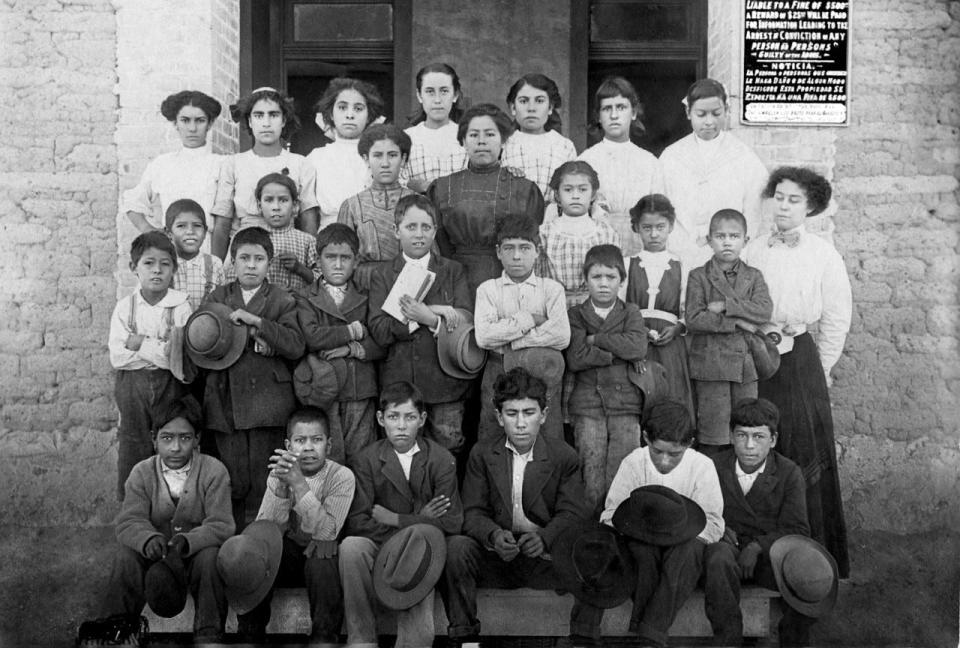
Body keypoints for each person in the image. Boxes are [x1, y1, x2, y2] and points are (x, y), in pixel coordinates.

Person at [741, 166, 852, 577]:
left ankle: (808, 562)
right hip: (756, 356)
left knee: (803, 452)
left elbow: (838, 317)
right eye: (780, 197)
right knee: (756, 444)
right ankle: (757, 559)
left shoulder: (823, 254)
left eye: (795, 200)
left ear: (811, 208)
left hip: (800, 360)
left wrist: (814, 370)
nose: (784, 206)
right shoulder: (753, 249)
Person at [440, 368, 590, 646]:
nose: (521, 423)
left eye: (529, 413)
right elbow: (472, 512)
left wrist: (546, 538)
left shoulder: (564, 456)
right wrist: (494, 535)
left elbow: (572, 514)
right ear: (499, 417)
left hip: (543, 558)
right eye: (512, 414)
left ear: (543, 415)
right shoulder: (483, 453)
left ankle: (581, 638)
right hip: (498, 555)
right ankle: (465, 639)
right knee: (457, 548)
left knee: (591, 551)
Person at [571, 401, 724, 648]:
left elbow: (714, 523)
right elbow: (611, 513)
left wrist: (681, 535)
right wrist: (632, 529)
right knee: (637, 551)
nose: (664, 461)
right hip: (642, 540)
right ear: (645, 438)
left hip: (684, 546)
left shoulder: (702, 466)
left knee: (688, 553)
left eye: (674, 454)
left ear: (689, 444)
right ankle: (609, 633)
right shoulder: (634, 462)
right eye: (657, 451)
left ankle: (651, 634)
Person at [99, 396, 234, 643]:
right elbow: (129, 521)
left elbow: (221, 524)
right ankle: (116, 633)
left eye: (184, 438)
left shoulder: (214, 471)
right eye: (167, 438)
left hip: (193, 556)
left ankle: (209, 634)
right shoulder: (142, 473)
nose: (175, 447)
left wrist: (188, 541)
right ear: (153, 439)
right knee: (125, 558)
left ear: (197, 439)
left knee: (210, 559)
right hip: (155, 557)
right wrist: (148, 539)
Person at [340, 381, 463, 648]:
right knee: (351, 547)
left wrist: (397, 520)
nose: (401, 426)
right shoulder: (366, 460)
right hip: (381, 544)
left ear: (422, 419)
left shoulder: (441, 460)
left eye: (409, 417)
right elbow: (358, 522)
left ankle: (414, 643)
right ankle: (362, 640)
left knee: (417, 554)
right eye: (394, 417)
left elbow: (452, 521)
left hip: (422, 550)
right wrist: (422, 518)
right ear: (380, 419)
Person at [198, 227, 305, 528]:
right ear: (232, 262)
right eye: (244, 257)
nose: (251, 264)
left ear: (269, 264)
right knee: (230, 479)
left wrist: (258, 322)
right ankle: (230, 546)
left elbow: (296, 345)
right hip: (225, 403)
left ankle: (265, 546)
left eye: (259, 258)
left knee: (265, 479)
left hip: (268, 405)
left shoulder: (282, 299)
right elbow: (202, 344)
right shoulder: (218, 296)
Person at [235, 407, 356, 644]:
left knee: (323, 556)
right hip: (291, 556)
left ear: (329, 446)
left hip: (325, 557)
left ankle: (324, 637)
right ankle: (250, 634)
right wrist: (281, 490)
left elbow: (327, 532)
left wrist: (299, 485)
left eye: (317, 440)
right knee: (258, 552)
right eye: (300, 440)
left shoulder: (342, 476)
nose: (309, 447)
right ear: (289, 446)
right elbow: (266, 533)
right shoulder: (279, 474)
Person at [703, 398, 815, 647]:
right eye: (742, 435)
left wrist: (757, 547)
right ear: (731, 436)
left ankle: (793, 640)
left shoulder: (789, 473)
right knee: (718, 557)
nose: (749, 446)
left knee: (808, 574)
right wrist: (718, 529)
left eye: (759, 437)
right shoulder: (712, 466)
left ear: (773, 440)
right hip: (727, 550)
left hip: (768, 557)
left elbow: (797, 529)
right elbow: (697, 511)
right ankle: (729, 640)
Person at [367, 194, 473, 455]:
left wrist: (431, 319)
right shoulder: (382, 274)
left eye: (426, 227)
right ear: (396, 231)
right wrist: (415, 321)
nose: (419, 234)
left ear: (435, 231)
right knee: (401, 452)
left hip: (445, 383)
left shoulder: (452, 271)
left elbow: (465, 325)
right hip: (399, 382)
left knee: (447, 449)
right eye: (410, 227)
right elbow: (379, 330)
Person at [428, 102, 545, 294]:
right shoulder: (442, 187)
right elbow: (439, 243)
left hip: (510, 282)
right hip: (455, 281)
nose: (481, 141)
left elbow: (529, 245)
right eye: (474, 135)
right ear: (463, 141)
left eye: (490, 134)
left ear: (503, 140)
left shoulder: (524, 189)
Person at [109, 231, 192, 498]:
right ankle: (132, 509)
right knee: (134, 442)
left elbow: (177, 359)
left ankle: (172, 508)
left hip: (171, 386)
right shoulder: (125, 307)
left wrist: (140, 342)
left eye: (165, 264)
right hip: (132, 386)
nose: (157, 270)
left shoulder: (180, 305)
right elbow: (118, 357)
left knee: (172, 442)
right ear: (134, 267)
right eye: (148, 263)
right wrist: (160, 349)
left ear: (174, 269)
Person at [565, 244, 648, 509]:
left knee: (623, 469)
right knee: (591, 468)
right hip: (587, 404)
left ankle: (619, 525)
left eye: (611, 277)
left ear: (621, 281)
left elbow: (638, 347)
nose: (603, 284)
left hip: (625, 404)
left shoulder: (630, 312)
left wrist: (597, 339)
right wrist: (615, 354)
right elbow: (576, 358)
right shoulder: (576, 314)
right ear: (585, 280)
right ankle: (591, 530)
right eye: (596, 277)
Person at [474, 216, 570, 442]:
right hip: (498, 371)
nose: (517, 256)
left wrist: (513, 342)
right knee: (493, 435)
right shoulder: (488, 290)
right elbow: (485, 337)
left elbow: (561, 336)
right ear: (498, 252)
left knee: (547, 438)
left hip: (542, 375)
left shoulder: (551, 289)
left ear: (537, 251)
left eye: (525, 248)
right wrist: (528, 319)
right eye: (509, 248)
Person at [296, 224, 385, 465]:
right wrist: (354, 330)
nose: (337, 264)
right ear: (317, 259)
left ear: (356, 261)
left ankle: (361, 504)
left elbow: (380, 340)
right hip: (323, 389)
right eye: (330, 257)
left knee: (362, 457)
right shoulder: (306, 297)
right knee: (328, 458)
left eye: (345, 258)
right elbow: (313, 337)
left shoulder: (367, 296)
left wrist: (352, 348)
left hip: (359, 389)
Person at [686, 209, 773, 456]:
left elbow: (764, 311)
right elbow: (694, 318)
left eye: (734, 236)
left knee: (747, 425)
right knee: (714, 431)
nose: (726, 241)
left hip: (745, 364)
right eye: (720, 235)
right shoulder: (698, 276)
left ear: (745, 241)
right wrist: (739, 323)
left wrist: (726, 305)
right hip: (711, 363)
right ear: (709, 239)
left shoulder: (754, 276)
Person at [660, 79, 769, 270]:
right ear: (688, 113)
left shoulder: (744, 156)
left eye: (716, 114)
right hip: (682, 250)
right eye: (701, 114)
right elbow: (661, 206)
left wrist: (738, 248)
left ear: (726, 111)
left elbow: (754, 211)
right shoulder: (671, 156)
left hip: (729, 254)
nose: (709, 122)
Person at [210, 87, 319, 258]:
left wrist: (310, 263)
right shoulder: (233, 164)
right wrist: (215, 269)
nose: (266, 123)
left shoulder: (301, 164)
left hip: (288, 250)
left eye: (274, 115)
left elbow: (308, 219)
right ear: (250, 121)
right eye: (259, 115)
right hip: (245, 250)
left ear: (283, 121)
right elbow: (222, 222)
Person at [622, 194, 695, 424]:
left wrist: (677, 328)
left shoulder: (682, 265)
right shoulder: (627, 263)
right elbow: (620, 306)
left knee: (672, 393)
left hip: (670, 342)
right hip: (636, 340)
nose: (654, 234)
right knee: (640, 393)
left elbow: (688, 307)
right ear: (636, 228)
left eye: (660, 227)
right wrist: (637, 329)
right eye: (647, 228)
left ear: (671, 227)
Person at [123, 90, 224, 245]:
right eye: (185, 120)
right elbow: (132, 201)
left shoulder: (222, 165)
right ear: (176, 124)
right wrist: (151, 231)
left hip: (209, 246)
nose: (192, 128)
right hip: (171, 250)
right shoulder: (162, 164)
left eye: (200, 120)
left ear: (209, 124)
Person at [578, 76, 663, 256]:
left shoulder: (650, 163)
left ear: (633, 113)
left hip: (640, 244)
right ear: (598, 116)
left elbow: (658, 212)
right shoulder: (586, 161)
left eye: (621, 107)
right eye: (607, 109)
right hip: (597, 245)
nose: (614, 115)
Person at [337, 123, 418, 290]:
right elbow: (341, 256)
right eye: (378, 155)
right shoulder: (352, 206)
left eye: (393, 155)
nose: (385, 163)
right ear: (366, 159)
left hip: (409, 283)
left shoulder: (418, 202)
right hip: (363, 285)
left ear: (403, 159)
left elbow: (431, 256)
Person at [538, 160, 620, 306]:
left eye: (582, 190)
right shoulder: (544, 234)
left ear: (593, 194)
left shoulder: (606, 233)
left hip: (594, 310)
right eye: (568, 190)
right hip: (553, 308)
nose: (575, 196)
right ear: (557, 195)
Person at [307, 77, 384, 229]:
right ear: (330, 114)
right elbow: (308, 209)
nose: (350, 115)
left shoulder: (378, 155)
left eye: (358, 108)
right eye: (342, 107)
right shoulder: (317, 157)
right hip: (329, 236)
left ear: (369, 115)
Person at [230, 172, 320, 292]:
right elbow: (231, 275)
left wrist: (299, 268)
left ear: (294, 205)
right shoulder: (246, 237)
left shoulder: (307, 241)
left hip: (295, 306)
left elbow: (322, 281)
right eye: (269, 200)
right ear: (259, 205)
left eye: (283, 200)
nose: (276, 207)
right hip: (255, 306)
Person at [500, 73, 578, 200]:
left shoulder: (564, 146)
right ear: (513, 108)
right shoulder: (503, 144)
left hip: (554, 216)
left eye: (540, 101)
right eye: (524, 101)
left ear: (550, 107)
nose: (531, 108)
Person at [402, 62, 468, 193]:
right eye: (430, 92)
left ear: (455, 95)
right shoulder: (406, 138)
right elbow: (397, 182)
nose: (437, 100)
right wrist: (415, 185)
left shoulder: (467, 137)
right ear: (420, 96)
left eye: (444, 91)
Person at [166, 198, 225, 311]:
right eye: (181, 226)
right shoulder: (164, 264)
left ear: (205, 231)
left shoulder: (215, 264)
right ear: (169, 233)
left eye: (197, 225)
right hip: (171, 326)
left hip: (204, 326)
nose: (190, 232)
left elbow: (222, 302)